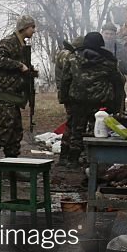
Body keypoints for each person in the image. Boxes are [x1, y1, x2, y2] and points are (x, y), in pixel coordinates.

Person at [0, 15, 37, 179]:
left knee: (16, 130)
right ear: (24, 27)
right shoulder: (9, 41)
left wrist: (30, 70)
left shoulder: (22, 45)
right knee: (5, 128)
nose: (34, 30)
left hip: (14, 94)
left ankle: (11, 166)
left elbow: (21, 65)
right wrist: (19, 66)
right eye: (32, 27)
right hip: (4, 93)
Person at [60, 31, 125, 168]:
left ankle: (73, 160)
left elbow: (65, 80)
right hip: (100, 102)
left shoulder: (72, 58)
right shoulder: (108, 61)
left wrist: (64, 99)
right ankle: (95, 161)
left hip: (78, 101)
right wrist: (117, 104)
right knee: (99, 131)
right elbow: (118, 81)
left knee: (76, 130)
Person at [54, 36, 84, 167]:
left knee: (70, 124)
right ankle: (68, 155)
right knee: (73, 124)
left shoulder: (63, 54)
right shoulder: (67, 56)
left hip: (67, 94)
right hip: (71, 95)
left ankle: (64, 155)